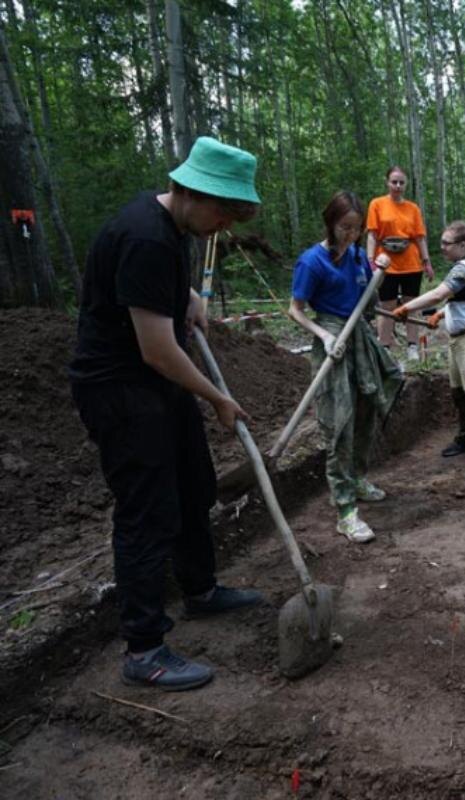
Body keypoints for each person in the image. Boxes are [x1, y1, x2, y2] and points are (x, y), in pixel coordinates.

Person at [69, 137, 264, 691]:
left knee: (194, 484)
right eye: (223, 212)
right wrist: (219, 398)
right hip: (122, 390)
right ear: (194, 192)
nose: (223, 225)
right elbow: (157, 349)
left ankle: (200, 590)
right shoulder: (144, 237)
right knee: (147, 510)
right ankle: (145, 648)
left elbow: (167, 301)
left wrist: (191, 301)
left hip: (156, 383)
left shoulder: (177, 229)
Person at [288, 191, 404, 543]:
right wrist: (324, 335)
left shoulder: (355, 254)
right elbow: (295, 310)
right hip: (333, 341)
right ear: (331, 223)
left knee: (370, 406)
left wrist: (379, 272)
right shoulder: (312, 261)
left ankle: (357, 478)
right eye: (345, 228)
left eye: (356, 229)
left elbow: (365, 298)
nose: (351, 235)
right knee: (339, 423)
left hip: (360, 339)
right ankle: (345, 510)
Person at [393, 220, 465, 474]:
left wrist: (407, 307)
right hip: (457, 339)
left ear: (462, 245)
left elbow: (438, 294)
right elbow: (458, 300)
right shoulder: (460, 268)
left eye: (446, 243)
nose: (441, 247)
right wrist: (441, 316)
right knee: (458, 393)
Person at [366, 166, 434, 360]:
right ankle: (385, 346)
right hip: (385, 263)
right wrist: (371, 260)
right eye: (394, 182)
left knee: (411, 304)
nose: (397, 186)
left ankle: (412, 345)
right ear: (387, 182)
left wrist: (426, 262)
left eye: (401, 182)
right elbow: (371, 234)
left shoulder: (413, 208)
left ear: (406, 184)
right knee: (386, 306)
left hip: (411, 263)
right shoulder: (377, 204)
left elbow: (420, 238)